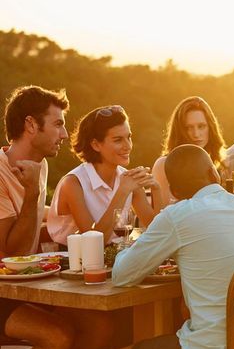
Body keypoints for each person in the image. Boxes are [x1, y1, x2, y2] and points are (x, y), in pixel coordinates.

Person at [104, 144, 234, 349]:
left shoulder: (178, 216)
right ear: (214, 174)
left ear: (173, 192)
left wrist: (124, 248)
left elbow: (122, 275)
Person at [0, 85, 113, 349]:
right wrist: (33, 195)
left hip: (20, 286)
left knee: (100, 327)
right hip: (3, 289)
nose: (64, 134)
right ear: (30, 124)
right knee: (56, 336)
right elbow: (12, 254)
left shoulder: (39, 167)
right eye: (58, 124)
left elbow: (33, 220)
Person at [47, 105, 164, 245]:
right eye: (118, 140)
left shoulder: (128, 179)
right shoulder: (73, 183)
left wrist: (156, 189)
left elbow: (157, 232)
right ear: (96, 145)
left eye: (129, 137)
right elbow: (94, 242)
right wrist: (122, 191)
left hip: (113, 257)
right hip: (69, 260)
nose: (128, 146)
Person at [152, 96, 226, 205]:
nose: (196, 134)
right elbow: (162, 214)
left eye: (201, 126)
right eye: (188, 128)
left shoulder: (218, 163)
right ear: (179, 131)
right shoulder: (163, 165)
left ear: (211, 127)